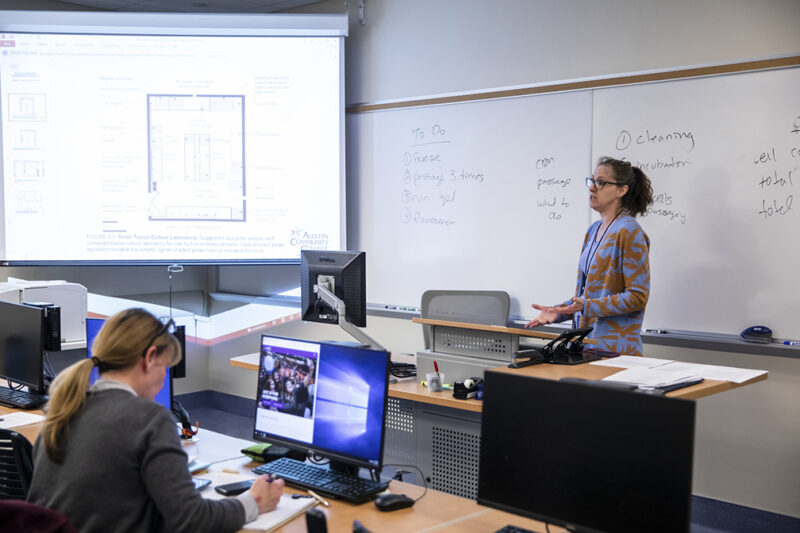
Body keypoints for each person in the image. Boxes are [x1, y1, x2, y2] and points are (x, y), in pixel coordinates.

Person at [27, 308, 284, 533]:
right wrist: (253, 501)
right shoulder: (149, 419)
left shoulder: (63, 409)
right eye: (165, 366)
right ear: (150, 357)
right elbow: (193, 520)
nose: (163, 381)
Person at [526, 157, 653, 356]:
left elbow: (637, 297)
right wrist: (557, 311)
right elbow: (587, 297)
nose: (592, 188)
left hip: (615, 350)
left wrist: (586, 306)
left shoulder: (629, 231)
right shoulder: (593, 231)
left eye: (601, 182)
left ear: (621, 190)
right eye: (592, 181)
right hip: (585, 346)